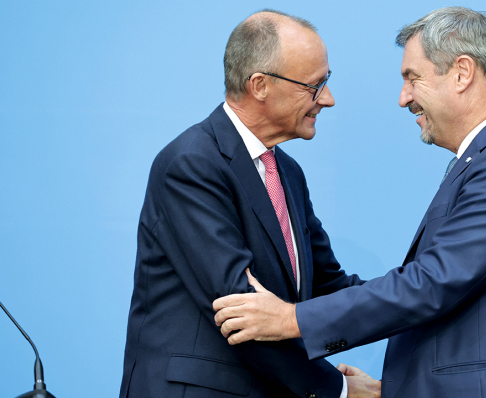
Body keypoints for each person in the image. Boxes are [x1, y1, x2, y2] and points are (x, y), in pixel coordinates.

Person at [212, 7, 486, 398]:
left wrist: (292, 319)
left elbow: (432, 283)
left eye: (412, 78)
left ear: (463, 73)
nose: (403, 98)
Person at [119, 9, 381, 398]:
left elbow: (328, 288)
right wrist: (337, 389)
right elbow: (243, 314)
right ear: (260, 85)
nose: (328, 99)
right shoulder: (191, 164)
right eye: (315, 85)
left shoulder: (287, 172)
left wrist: (421, 300)